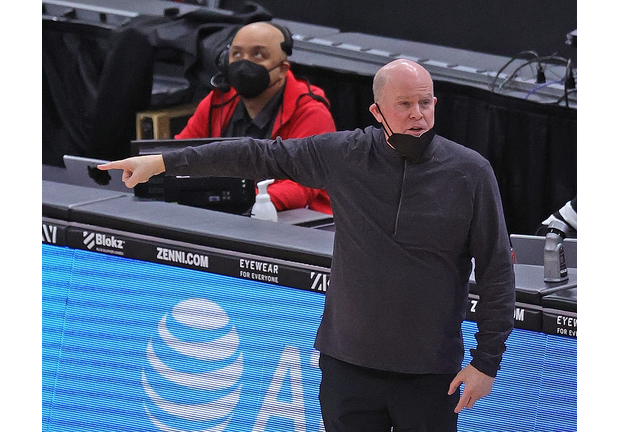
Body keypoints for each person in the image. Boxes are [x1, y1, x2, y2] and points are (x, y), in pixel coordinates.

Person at [99, 59, 516, 432]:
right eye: (404, 105)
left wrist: (486, 362)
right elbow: (255, 155)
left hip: (430, 373)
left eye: (425, 103)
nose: (417, 116)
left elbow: (497, 271)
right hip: (348, 366)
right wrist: (163, 163)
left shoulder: (470, 173)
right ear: (377, 111)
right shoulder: (344, 154)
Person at [178, 21, 336, 214]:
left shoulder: (311, 112)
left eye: (258, 55)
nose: (244, 62)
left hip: (295, 222)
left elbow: (302, 186)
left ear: (283, 69)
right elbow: (181, 151)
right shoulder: (219, 99)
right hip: (227, 214)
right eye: (236, 54)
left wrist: (242, 200)